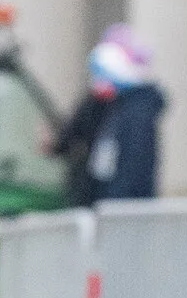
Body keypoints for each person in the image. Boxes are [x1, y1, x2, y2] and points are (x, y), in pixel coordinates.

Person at [57, 25, 165, 205]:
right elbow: (77, 131)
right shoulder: (110, 109)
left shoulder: (137, 113)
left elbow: (131, 169)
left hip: (120, 212)